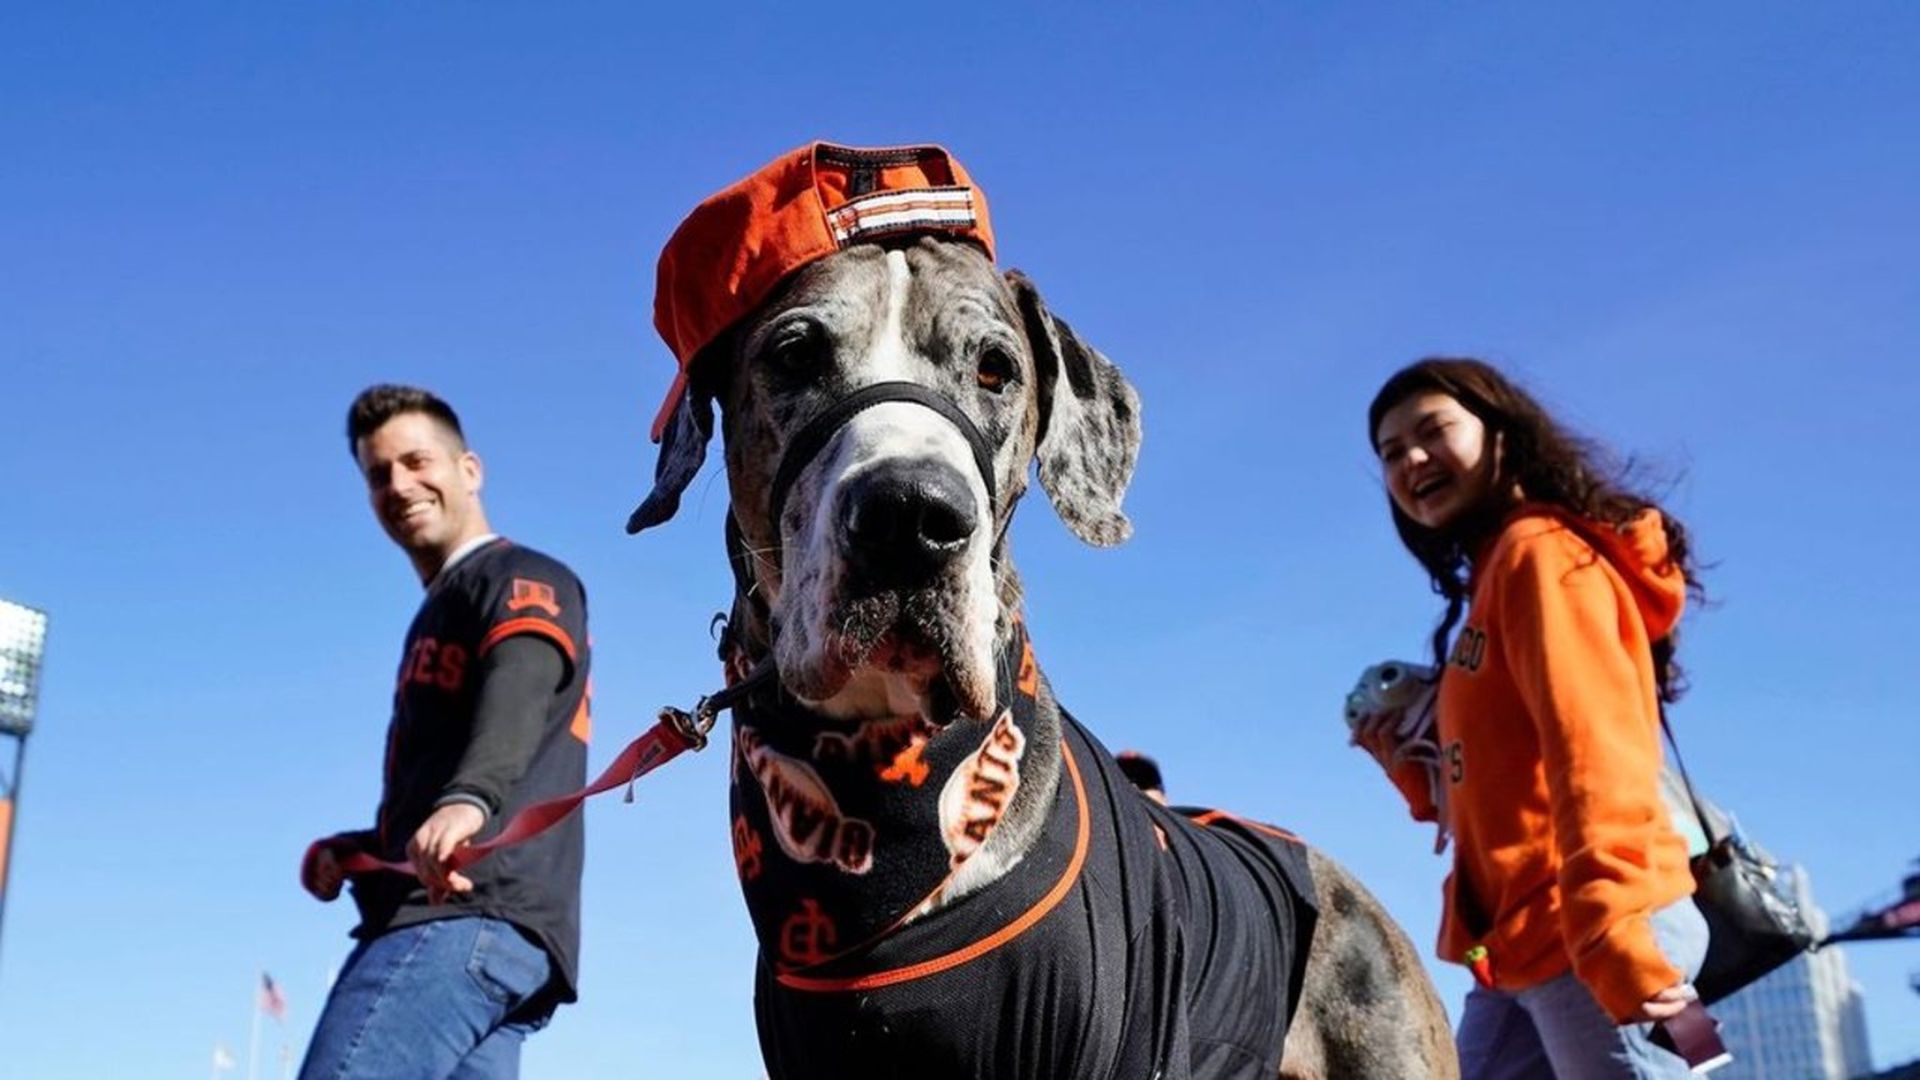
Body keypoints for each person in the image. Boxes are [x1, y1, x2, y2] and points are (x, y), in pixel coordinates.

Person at [1353, 358, 1710, 1079]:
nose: (1411, 459)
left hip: (1597, 929)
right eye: (1391, 453)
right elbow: (1501, 797)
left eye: (1433, 432)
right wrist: (1410, 766)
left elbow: (1597, 749)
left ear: (1502, 436)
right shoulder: (1495, 579)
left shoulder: (1540, 554)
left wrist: (1614, 931)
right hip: (1523, 950)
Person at [298, 385, 591, 1080]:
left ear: (469, 469)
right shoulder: (443, 605)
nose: (399, 484)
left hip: (459, 917)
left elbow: (520, 680)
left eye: (416, 460)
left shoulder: (518, 574)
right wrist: (362, 849)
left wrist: (469, 800)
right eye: (378, 474)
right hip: (495, 932)